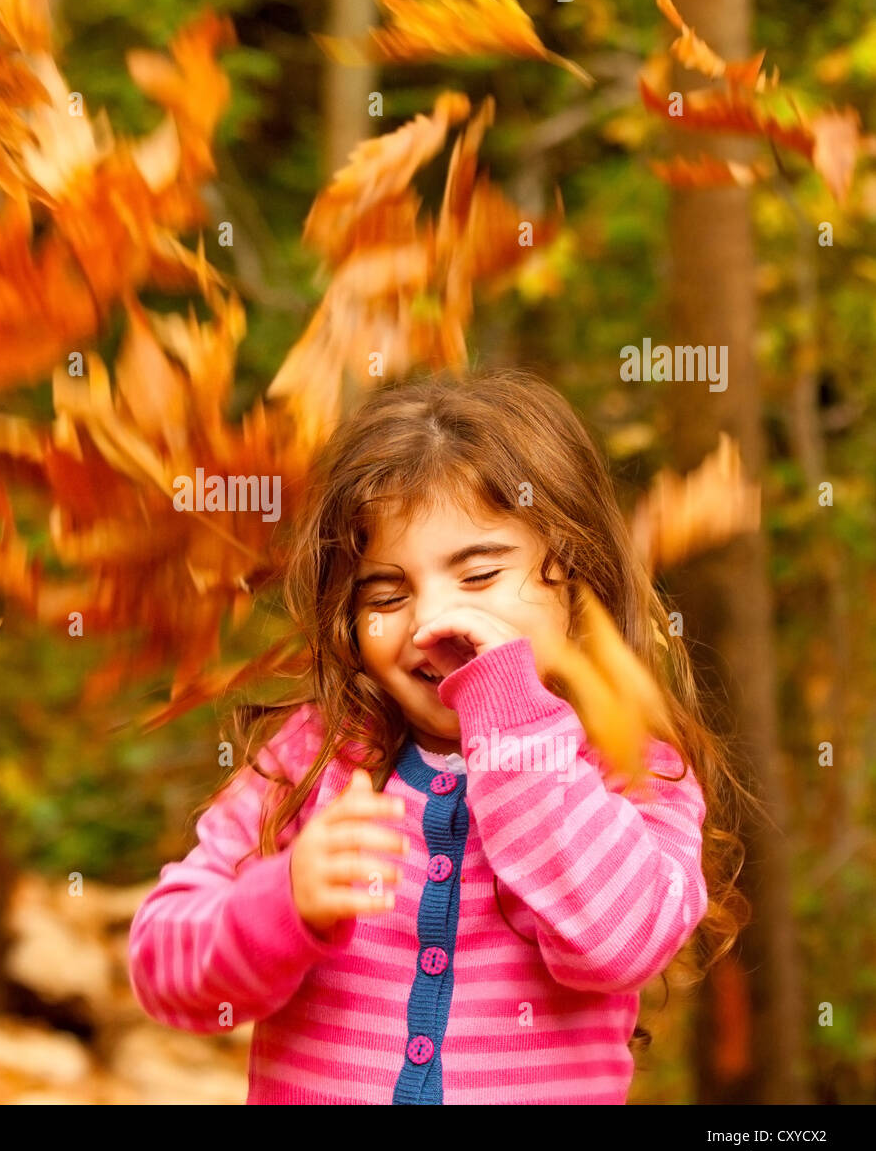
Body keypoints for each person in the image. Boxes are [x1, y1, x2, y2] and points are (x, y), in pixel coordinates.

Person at [127, 369, 751, 1104]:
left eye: (479, 575)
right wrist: (281, 903)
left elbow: (618, 945)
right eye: (387, 593)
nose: (432, 622)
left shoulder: (629, 767)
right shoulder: (312, 758)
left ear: (574, 574)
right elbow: (163, 967)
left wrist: (511, 715)